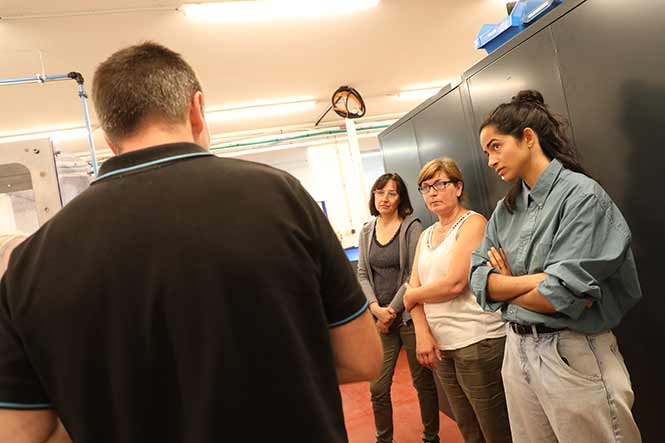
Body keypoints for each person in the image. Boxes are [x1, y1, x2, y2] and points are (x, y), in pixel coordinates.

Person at [0, 42, 382, 443]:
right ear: (197, 110)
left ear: (109, 138)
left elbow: (18, 433)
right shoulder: (281, 197)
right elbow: (362, 358)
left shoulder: (30, 262)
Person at [470, 90, 642, 443]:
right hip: (516, 352)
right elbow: (477, 280)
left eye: (495, 146)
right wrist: (530, 281)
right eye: (487, 151)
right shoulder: (507, 210)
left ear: (528, 139)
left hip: (572, 354)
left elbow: (559, 297)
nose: (490, 160)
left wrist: (504, 284)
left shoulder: (582, 197)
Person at [403, 158, 512, 443]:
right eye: (426, 187)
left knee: (495, 429)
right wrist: (422, 333)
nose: (433, 193)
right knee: (468, 427)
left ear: (458, 186)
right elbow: (411, 291)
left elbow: (455, 283)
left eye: (440, 184)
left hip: (477, 342)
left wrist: (413, 294)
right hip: (442, 346)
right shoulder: (426, 235)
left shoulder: (473, 223)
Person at [357, 173, 439, 443]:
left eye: (392, 193)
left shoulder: (411, 228)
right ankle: (384, 439)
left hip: (407, 317)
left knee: (422, 384)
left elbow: (412, 275)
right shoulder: (367, 231)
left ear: (400, 198)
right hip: (379, 318)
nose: (385, 198)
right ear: (373, 195)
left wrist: (390, 312)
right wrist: (375, 309)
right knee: (378, 387)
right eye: (380, 192)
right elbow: (362, 275)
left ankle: (431, 437)